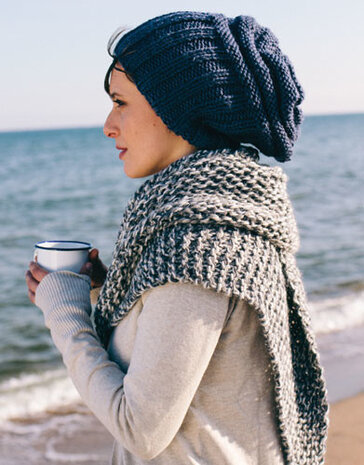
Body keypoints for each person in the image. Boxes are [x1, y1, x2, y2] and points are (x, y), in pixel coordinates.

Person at [25, 11, 329, 465]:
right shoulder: (225, 219)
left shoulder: (200, 250)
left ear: (177, 111)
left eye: (121, 102)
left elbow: (140, 429)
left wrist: (64, 311)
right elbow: (206, 368)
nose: (108, 125)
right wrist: (113, 292)